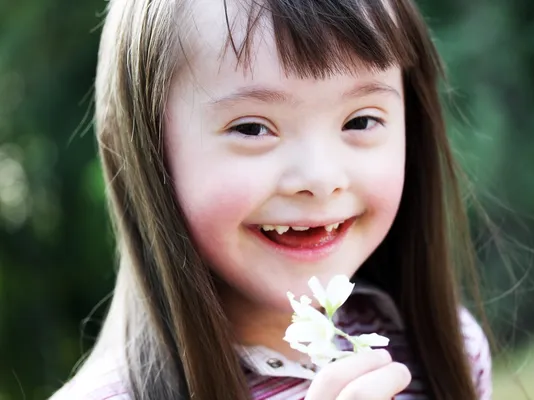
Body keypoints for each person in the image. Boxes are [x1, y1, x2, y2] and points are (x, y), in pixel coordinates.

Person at [50, 0, 492, 398]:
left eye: (360, 120)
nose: (320, 179)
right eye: (252, 128)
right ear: (148, 149)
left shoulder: (447, 351)